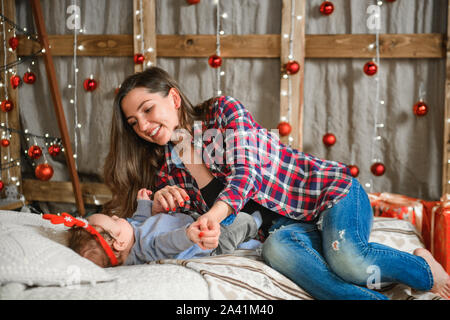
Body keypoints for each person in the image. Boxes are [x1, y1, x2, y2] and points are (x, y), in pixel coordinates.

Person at [103, 66, 450, 299]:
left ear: (174, 99)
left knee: (347, 259)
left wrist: (216, 210)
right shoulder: (170, 168)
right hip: (285, 229)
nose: (143, 125)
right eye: (134, 122)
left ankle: (423, 268)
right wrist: (164, 197)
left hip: (328, 196)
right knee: (277, 249)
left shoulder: (223, 112)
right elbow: (198, 226)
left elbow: (247, 174)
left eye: (148, 109)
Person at [68, 186, 262, 267]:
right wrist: (188, 235)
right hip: (208, 241)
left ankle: (247, 242)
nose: (118, 216)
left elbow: (139, 221)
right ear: (119, 243)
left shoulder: (132, 233)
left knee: (231, 225)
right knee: (240, 222)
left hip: (192, 220)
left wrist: (144, 203)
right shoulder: (145, 250)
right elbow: (167, 244)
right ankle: (259, 223)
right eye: (115, 220)